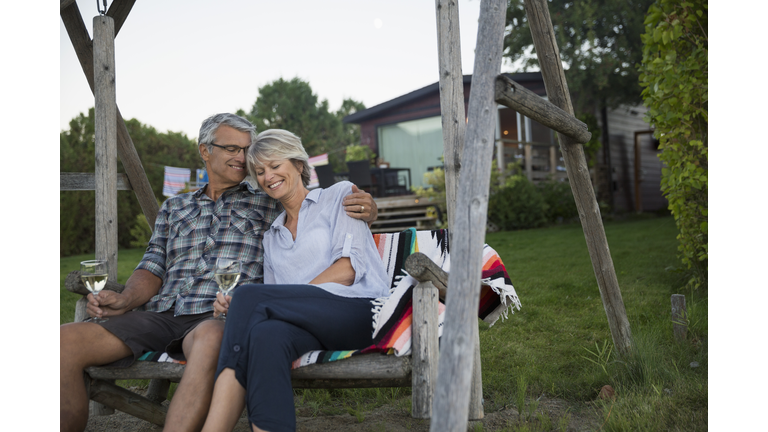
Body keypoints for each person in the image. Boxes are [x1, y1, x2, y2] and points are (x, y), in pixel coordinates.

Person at [60, 113, 379, 432]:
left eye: (246, 149)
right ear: (204, 151)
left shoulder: (268, 202)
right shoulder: (175, 208)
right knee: (63, 342)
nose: (243, 158)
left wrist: (370, 209)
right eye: (232, 148)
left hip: (220, 317)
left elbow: (312, 204)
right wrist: (125, 298)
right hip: (161, 313)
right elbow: (152, 266)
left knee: (213, 338)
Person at [199, 129, 390, 432]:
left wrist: (272, 300)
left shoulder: (338, 195)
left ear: (299, 165)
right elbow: (277, 302)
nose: (267, 176)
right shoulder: (272, 237)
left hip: (360, 312)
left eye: (275, 165)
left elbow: (347, 270)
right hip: (309, 328)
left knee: (250, 297)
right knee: (266, 335)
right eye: (260, 171)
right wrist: (256, 304)